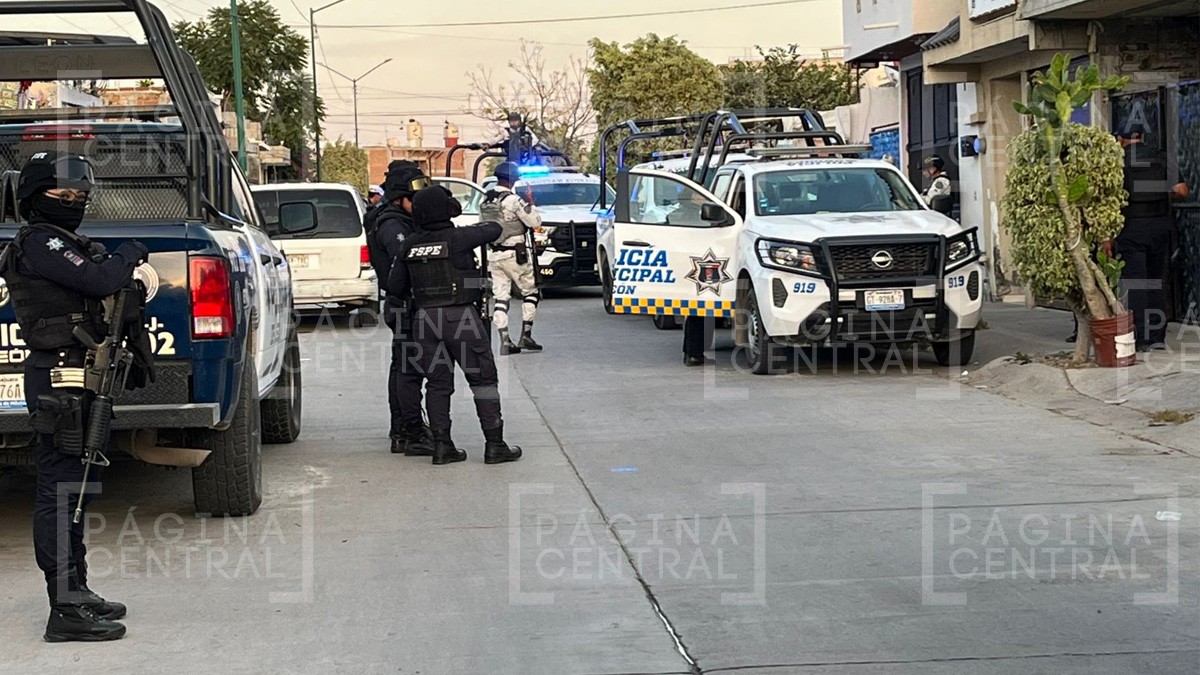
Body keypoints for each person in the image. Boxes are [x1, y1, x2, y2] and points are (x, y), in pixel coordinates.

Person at [0, 151, 149, 642]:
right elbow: (98, 279)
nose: (72, 203)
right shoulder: (39, 242)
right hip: (58, 382)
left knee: (78, 488)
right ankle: (63, 608)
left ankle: (77, 590)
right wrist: (128, 255)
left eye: (78, 196)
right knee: (60, 490)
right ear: (34, 198)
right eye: (61, 195)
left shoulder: (65, 243)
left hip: (79, 378)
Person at [387, 186, 523, 466]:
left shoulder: (408, 245)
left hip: (424, 321)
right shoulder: (459, 237)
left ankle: (442, 446)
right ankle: (494, 444)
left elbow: (395, 286)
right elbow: (494, 229)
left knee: (437, 384)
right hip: (460, 317)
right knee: (483, 380)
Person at [1104, 131, 1190, 351]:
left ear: (1120, 139)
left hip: (1131, 228)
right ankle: (1157, 337)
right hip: (1160, 227)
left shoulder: (1117, 162)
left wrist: (1108, 238)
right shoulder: (1162, 157)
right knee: (1156, 281)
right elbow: (1182, 191)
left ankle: (1141, 338)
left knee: (1136, 283)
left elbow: (1110, 201)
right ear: (1141, 136)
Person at [371, 165, 436, 455]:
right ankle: (409, 432)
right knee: (408, 371)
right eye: (413, 199)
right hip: (404, 305)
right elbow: (403, 263)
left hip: (406, 304)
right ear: (399, 199)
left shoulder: (400, 220)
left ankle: (403, 429)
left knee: (404, 368)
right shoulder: (393, 225)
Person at [482, 162, 543, 355]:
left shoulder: (486, 200)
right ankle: (526, 335)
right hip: (515, 255)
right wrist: (531, 202)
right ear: (512, 179)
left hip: (495, 255)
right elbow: (534, 222)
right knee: (530, 292)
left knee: (501, 298)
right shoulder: (513, 200)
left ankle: (505, 340)